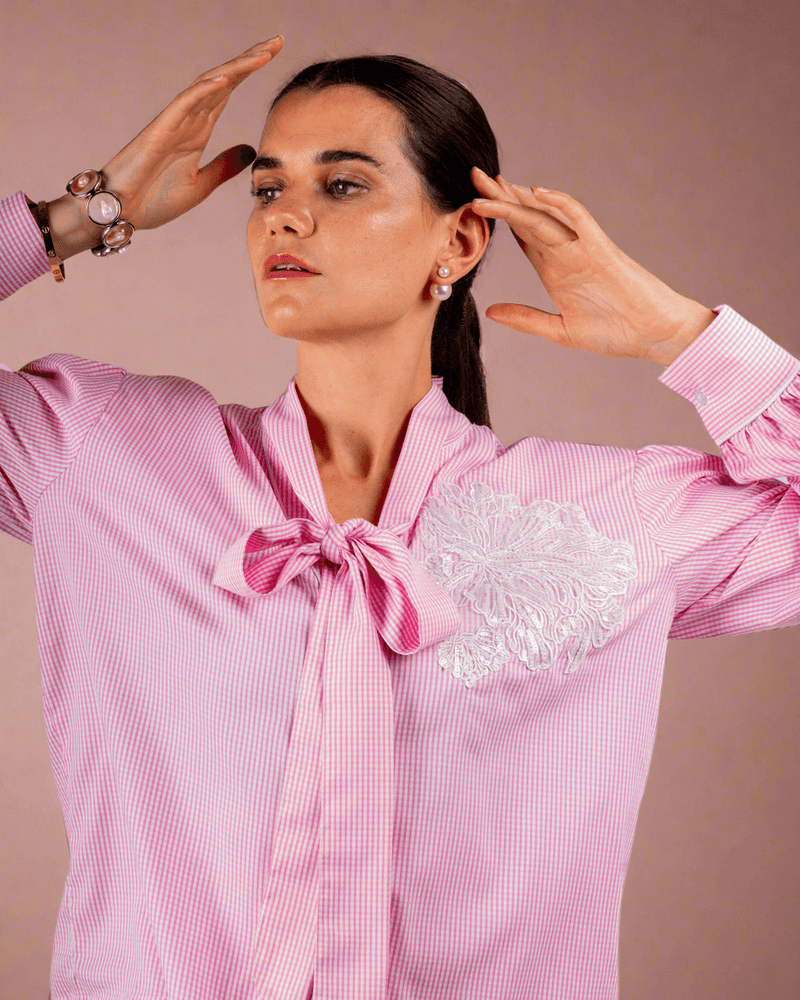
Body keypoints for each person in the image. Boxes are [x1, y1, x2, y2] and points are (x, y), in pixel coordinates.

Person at [1, 34, 798, 1000]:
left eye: (341, 186)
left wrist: (681, 333)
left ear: (458, 241)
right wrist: (86, 214)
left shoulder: (603, 520)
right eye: (266, 188)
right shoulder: (107, 456)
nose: (285, 215)